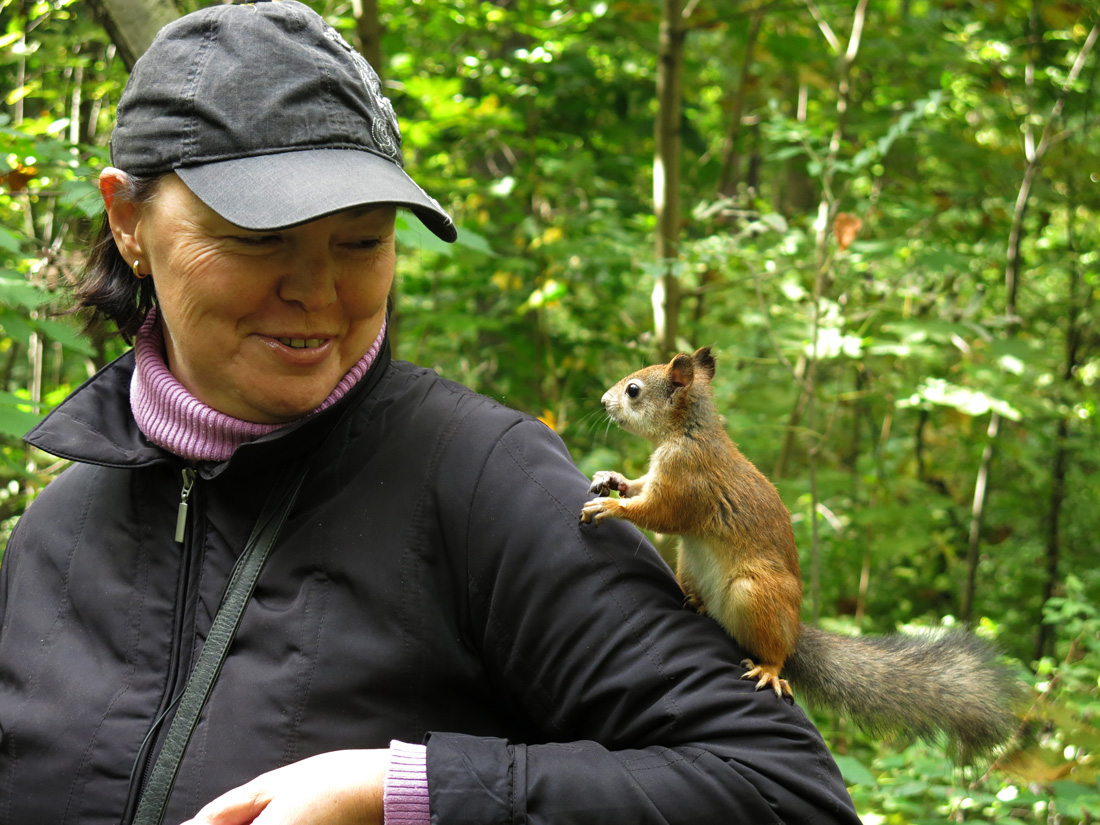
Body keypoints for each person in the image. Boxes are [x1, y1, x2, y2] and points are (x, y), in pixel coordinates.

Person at [0, 2, 861, 824]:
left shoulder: (485, 482)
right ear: (127, 221)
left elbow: (779, 792)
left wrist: (408, 789)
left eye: (363, 240)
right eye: (258, 239)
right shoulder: (54, 537)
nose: (318, 292)